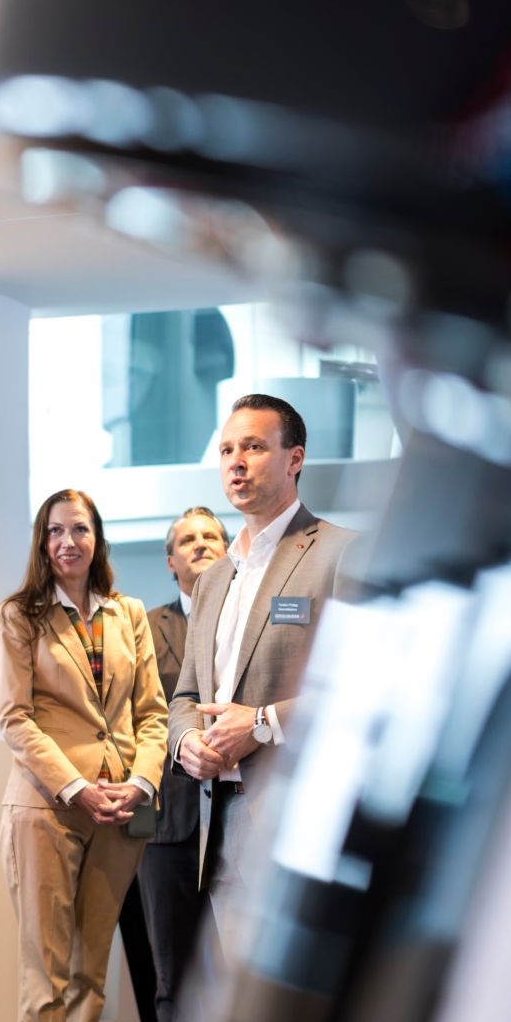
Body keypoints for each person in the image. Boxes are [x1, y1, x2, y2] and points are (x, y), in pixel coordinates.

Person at [0, 489, 167, 1022]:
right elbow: (13, 718)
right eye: (55, 531)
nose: (68, 541)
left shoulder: (127, 614)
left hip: (120, 811)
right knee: (46, 972)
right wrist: (74, 785)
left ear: (98, 538)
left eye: (80, 529)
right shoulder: (20, 615)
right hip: (47, 809)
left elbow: (152, 715)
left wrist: (142, 781)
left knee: (91, 976)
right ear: (42, 542)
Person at [168, 394, 356, 948]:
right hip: (217, 820)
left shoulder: (339, 553)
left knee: (301, 1017)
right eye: (227, 449)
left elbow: (360, 690)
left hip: (297, 821)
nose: (236, 461)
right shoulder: (211, 580)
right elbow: (184, 696)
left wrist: (264, 722)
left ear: (294, 458)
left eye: (253, 446)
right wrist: (186, 745)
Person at [138, 506, 229, 1022]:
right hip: (167, 826)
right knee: (173, 975)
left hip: (242, 813)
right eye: (187, 540)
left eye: (210, 536)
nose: (200, 545)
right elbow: (136, 718)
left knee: (242, 976)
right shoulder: (145, 627)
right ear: (170, 561)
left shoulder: (251, 620)